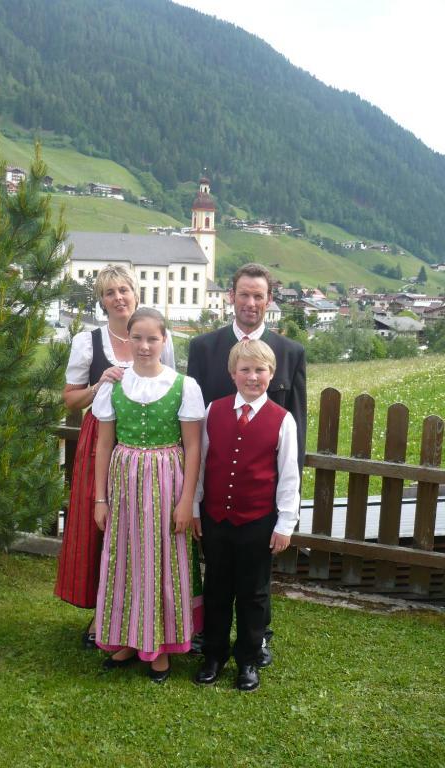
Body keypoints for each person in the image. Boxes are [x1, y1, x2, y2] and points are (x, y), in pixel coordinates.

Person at [187, 262, 306, 665]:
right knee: (219, 579)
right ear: (231, 297)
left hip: (259, 499)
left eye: (259, 295)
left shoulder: (291, 353)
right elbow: (194, 430)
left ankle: (257, 643)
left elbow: (294, 434)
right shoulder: (204, 349)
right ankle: (212, 646)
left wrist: (284, 513)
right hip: (218, 498)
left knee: (256, 584)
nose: (251, 302)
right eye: (244, 294)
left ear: (269, 300)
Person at [54, 266, 174, 649]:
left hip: (148, 440)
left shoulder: (155, 335)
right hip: (101, 441)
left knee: (143, 524)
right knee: (100, 525)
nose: (118, 298)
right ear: (101, 300)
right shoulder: (87, 341)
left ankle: (144, 611)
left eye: (124, 290)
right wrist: (98, 383)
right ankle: (101, 614)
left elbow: (169, 387)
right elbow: (70, 398)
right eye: (109, 292)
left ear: (135, 294)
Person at [92, 308, 205, 683]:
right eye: (136, 338)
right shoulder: (113, 385)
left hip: (167, 479)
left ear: (164, 340)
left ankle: (161, 644)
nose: (144, 346)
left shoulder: (183, 386)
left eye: (152, 338)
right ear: (128, 339)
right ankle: (127, 637)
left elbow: (192, 447)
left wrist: (188, 500)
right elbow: (103, 445)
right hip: (124, 481)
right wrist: (100, 498)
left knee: (162, 557)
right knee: (125, 554)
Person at [194, 340, 300, 691]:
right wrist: (196, 508)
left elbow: (288, 476)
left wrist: (285, 523)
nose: (252, 377)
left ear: (271, 374)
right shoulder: (214, 410)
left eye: (260, 370)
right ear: (232, 373)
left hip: (257, 521)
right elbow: (200, 466)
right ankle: (214, 654)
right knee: (217, 589)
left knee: (254, 594)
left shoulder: (282, 421)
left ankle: (248, 659)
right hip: (216, 519)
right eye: (245, 370)